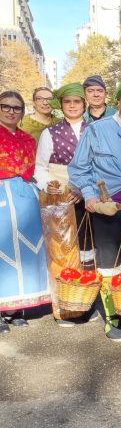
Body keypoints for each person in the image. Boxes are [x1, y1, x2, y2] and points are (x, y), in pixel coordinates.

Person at [69, 79, 121, 342]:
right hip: (107, 205)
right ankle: (111, 317)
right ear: (118, 100)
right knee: (108, 263)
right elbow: (78, 167)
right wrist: (90, 195)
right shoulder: (98, 129)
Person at [34, 83, 90, 327]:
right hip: (60, 199)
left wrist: (84, 190)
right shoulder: (50, 133)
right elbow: (40, 167)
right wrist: (49, 185)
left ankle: (86, 302)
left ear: (84, 105)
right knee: (61, 253)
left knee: (88, 252)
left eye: (77, 102)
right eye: (68, 102)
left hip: (87, 197)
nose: (73, 106)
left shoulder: (95, 130)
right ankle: (65, 307)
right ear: (62, 105)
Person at [0, 90, 49, 333]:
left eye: (16, 107)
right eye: (5, 106)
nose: (11, 111)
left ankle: (16, 307)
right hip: (1, 195)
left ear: (22, 111)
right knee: (2, 251)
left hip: (25, 196)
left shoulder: (28, 139)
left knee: (24, 251)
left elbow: (33, 170)